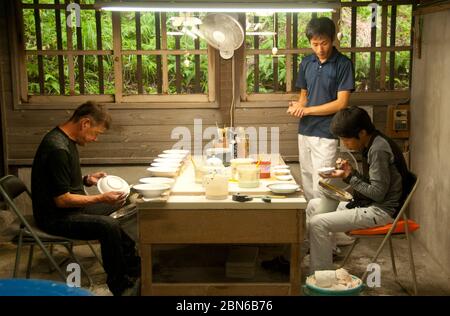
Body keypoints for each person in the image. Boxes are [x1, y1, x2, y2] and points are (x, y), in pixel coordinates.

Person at [31, 101, 140, 296]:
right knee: (109, 226)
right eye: (96, 133)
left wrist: (86, 179)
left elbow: (58, 181)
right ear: (85, 123)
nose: (95, 139)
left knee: (127, 198)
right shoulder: (57, 148)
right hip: (56, 217)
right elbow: (62, 200)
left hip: (71, 209)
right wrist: (100, 198)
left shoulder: (66, 140)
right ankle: (120, 285)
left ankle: (134, 269)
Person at [306, 106, 411, 272]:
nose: (345, 144)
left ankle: (321, 277)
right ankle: (319, 258)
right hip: (370, 204)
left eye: (347, 139)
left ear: (361, 133)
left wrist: (349, 177)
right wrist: (349, 173)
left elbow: (377, 193)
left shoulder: (378, 150)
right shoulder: (373, 142)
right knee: (313, 204)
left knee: (318, 223)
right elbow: (373, 184)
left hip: (381, 211)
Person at [287, 17, 355, 201]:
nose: (319, 49)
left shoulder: (343, 64)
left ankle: (324, 228)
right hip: (305, 131)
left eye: (323, 43)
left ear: (333, 39)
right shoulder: (307, 63)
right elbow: (304, 96)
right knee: (307, 181)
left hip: (327, 133)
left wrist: (307, 110)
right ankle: (310, 226)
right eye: (314, 44)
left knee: (323, 185)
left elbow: (341, 104)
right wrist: (298, 107)